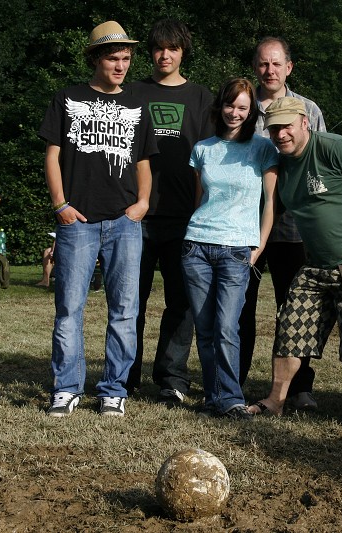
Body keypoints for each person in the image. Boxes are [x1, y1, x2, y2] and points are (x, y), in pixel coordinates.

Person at [247, 97, 342, 427]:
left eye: (287, 126)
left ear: (305, 122)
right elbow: (271, 211)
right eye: (274, 129)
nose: (280, 134)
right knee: (291, 325)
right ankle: (275, 401)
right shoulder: (281, 164)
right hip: (315, 264)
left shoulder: (332, 147)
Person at [38, 21, 157, 418]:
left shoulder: (137, 105)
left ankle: (113, 390)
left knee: (124, 311)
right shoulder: (67, 98)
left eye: (126, 59)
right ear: (95, 59)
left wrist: (143, 203)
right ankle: (66, 388)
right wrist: (60, 205)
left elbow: (143, 161)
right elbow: (52, 155)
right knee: (69, 310)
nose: (121, 66)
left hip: (125, 222)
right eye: (112, 59)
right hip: (78, 222)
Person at [126, 19, 215, 403]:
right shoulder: (132, 92)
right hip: (135, 215)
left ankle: (172, 378)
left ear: (183, 52)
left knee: (181, 304)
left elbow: (211, 159)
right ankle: (124, 376)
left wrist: (203, 211)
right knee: (130, 302)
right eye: (159, 48)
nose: (165, 55)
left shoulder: (202, 98)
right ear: (151, 52)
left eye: (173, 48)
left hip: (185, 218)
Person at [238, 36, 326, 410]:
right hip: (245, 223)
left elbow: (319, 166)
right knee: (240, 308)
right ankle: (232, 382)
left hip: (294, 227)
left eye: (276, 64)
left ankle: (299, 387)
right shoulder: (241, 107)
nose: (269, 70)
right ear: (255, 67)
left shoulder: (308, 109)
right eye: (263, 63)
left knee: (296, 310)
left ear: (288, 67)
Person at [182, 78, 278, 420]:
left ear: (251, 112)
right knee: (206, 330)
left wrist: (258, 246)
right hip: (197, 247)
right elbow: (200, 200)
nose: (234, 113)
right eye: (229, 105)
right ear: (219, 106)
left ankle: (232, 399)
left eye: (242, 108)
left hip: (237, 249)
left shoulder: (263, 148)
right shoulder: (202, 149)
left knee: (226, 327)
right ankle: (214, 398)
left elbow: (270, 203)